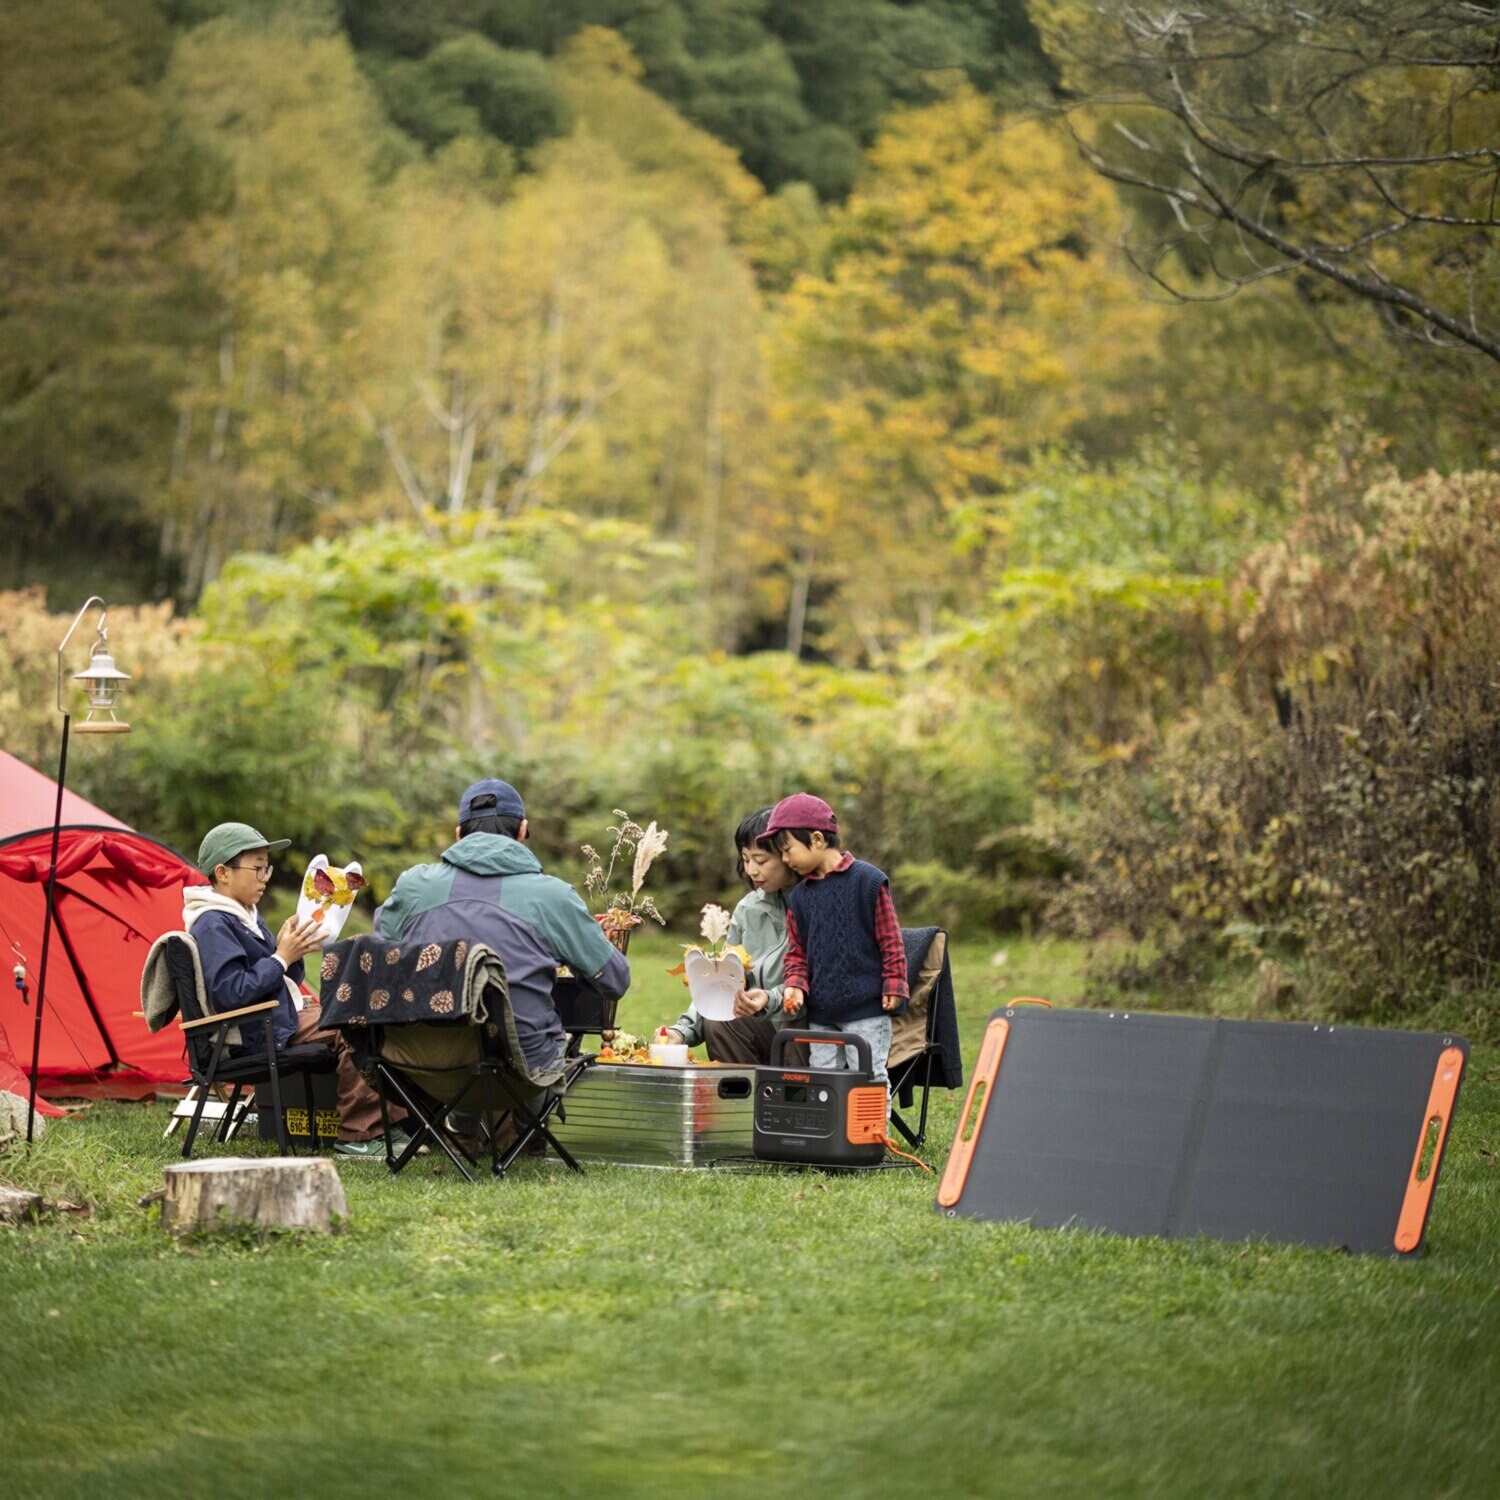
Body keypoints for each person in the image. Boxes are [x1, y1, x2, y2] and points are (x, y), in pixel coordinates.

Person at [374, 778, 630, 1084]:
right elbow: (615, 981)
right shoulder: (552, 896)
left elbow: (381, 949)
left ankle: (462, 1128)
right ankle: (522, 1130)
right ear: (522, 830)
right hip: (522, 1072)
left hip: (424, 1067)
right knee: (551, 1041)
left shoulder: (413, 887)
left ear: (458, 835)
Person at [183, 821, 409, 1158]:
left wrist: (293, 952)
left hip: (275, 1016)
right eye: (257, 868)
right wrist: (279, 957)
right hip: (256, 1030)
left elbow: (275, 976)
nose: (265, 877)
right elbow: (231, 993)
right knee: (356, 1019)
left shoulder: (243, 915)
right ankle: (356, 1134)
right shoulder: (214, 923)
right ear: (223, 872)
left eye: (267, 868)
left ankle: (387, 1125)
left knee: (370, 1009)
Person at [766, 793, 908, 1091]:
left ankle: (871, 1137)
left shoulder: (868, 881)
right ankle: (828, 1137)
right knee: (822, 1080)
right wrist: (795, 984)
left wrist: (895, 983)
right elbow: (797, 954)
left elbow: (891, 940)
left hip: (866, 1009)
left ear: (817, 839)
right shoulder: (800, 898)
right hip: (822, 1012)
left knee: (868, 1078)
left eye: (787, 849)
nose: (785, 859)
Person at [663, 807, 798, 1065]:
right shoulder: (749, 909)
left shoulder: (819, 904)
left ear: (788, 854)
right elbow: (721, 982)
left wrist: (770, 999)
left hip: (811, 1030)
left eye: (760, 860)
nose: (751, 870)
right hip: (768, 1028)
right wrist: (682, 1031)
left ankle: (786, 1103)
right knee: (721, 1022)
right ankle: (743, 1104)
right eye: (745, 859)